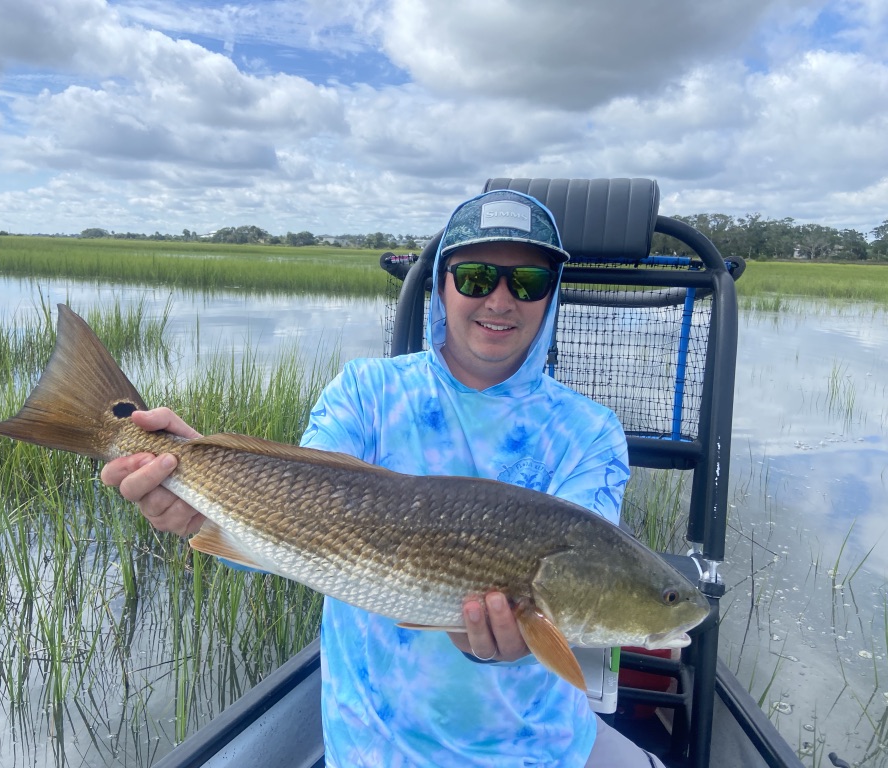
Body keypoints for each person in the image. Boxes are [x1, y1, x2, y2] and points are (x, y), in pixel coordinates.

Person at [101, 189, 663, 767]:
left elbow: (586, 571)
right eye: (475, 277)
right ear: (443, 285)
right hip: (373, 746)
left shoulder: (590, 432)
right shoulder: (366, 393)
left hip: (536, 749)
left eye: (528, 282)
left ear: (551, 296)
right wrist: (195, 490)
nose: (500, 299)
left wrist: (506, 643)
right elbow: (303, 521)